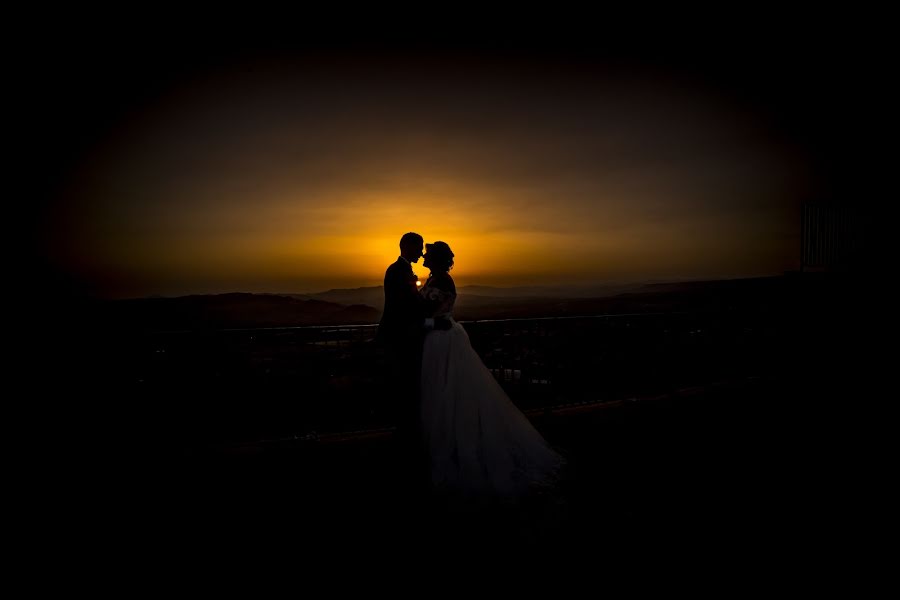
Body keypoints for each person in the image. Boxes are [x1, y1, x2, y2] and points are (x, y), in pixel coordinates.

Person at [418, 241, 565, 503]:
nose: (424, 258)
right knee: (443, 394)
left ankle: (456, 451)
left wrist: (419, 324)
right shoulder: (435, 278)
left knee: (450, 394)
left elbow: (437, 319)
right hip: (440, 341)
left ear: (437, 259)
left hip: (442, 342)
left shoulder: (442, 281)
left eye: (428, 255)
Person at [375, 233, 450, 479]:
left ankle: (411, 435)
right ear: (406, 246)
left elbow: (421, 309)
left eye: (424, 252)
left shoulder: (411, 273)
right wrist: (429, 323)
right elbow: (404, 310)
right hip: (400, 338)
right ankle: (406, 436)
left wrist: (429, 322)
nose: (421, 254)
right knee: (406, 386)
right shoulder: (398, 271)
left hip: (411, 337)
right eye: (418, 249)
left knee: (412, 387)